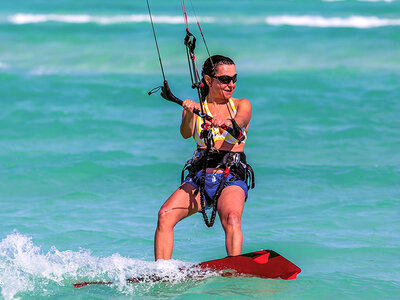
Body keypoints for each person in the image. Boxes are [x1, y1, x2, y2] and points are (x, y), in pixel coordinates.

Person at [154, 55, 254, 260]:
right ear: (208, 80)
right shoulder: (199, 108)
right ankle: (161, 271)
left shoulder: (241, 105)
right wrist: (190, 112)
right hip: (199, 175)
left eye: (234, 78)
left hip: (231, 175)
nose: (231, 84)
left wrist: (224, 121)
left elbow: (240, 122)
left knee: (232, 218)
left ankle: (235, 268)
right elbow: (185, 133)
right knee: (165, 215)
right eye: (225, 79)